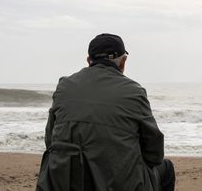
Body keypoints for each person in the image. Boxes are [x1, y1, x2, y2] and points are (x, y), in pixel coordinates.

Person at [36, 33, 175, 191]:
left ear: (89, 61)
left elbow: (50, 140)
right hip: (118, 183)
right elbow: (154, 152)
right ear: (123, 62)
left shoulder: (64, 86)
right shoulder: (134, 92)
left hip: (64, 182)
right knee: (166, 168)